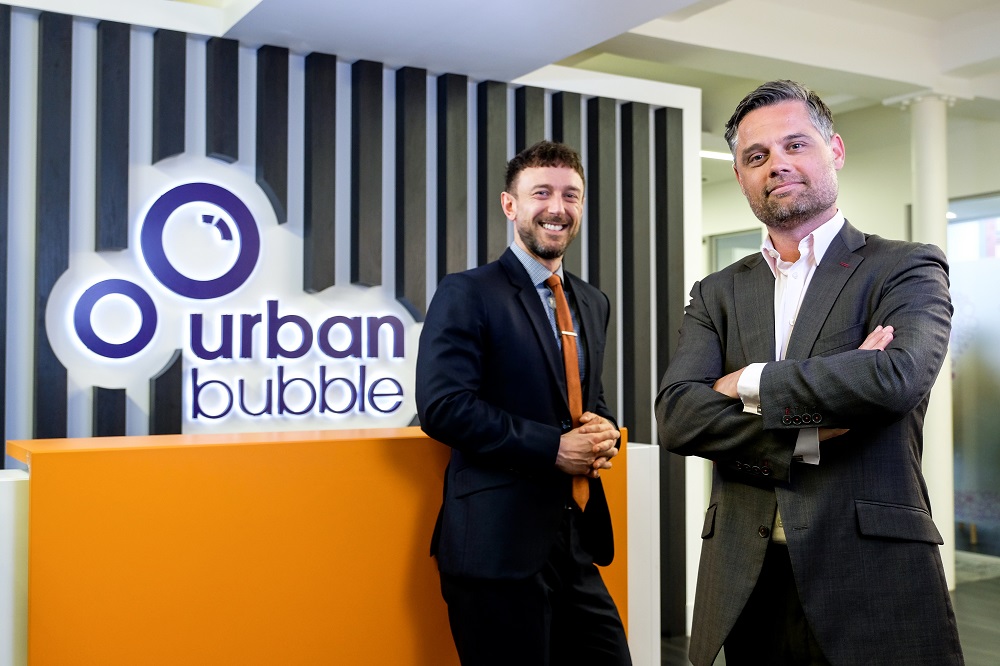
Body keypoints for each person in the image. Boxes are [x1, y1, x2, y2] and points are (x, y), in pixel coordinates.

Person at [655, 80, 964, 665]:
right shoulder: (717, 292)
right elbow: (677, 417)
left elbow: (893, 379)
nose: (777, 165)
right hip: (749, 581)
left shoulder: (904, 267)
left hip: (869, 573)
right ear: (741, 175)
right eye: (757, 156)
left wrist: (747, 382)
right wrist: (803, 433)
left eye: (795, 145)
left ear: (835, 150)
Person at [416, 140, 631, 666]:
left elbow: (586, 398)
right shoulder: (467, 292)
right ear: (510, 205)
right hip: (495, 548)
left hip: (575, 542)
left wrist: (605, 430)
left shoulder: (592, 301)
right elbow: (443, 406)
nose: (558, 208)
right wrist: (554, 448)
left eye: (571, 196)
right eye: (542, 193)